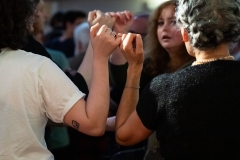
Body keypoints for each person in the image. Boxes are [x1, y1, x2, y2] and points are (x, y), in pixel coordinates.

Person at [114, 0, 240, 159]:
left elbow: (124, 136)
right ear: (234, 31)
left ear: (185, 33)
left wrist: (133, 67)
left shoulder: (164, 88)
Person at [0, 1, 121, 160]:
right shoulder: (35, 66)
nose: (39, 15)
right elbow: (93, 125)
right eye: (34, 10)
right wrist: (100, 56)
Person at [108, 1, 194, 159]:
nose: (165, 28)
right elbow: (122, 80)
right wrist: (120, 32)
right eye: (160, 23)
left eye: (174, 22)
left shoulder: (195, 66)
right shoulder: (153, 62)